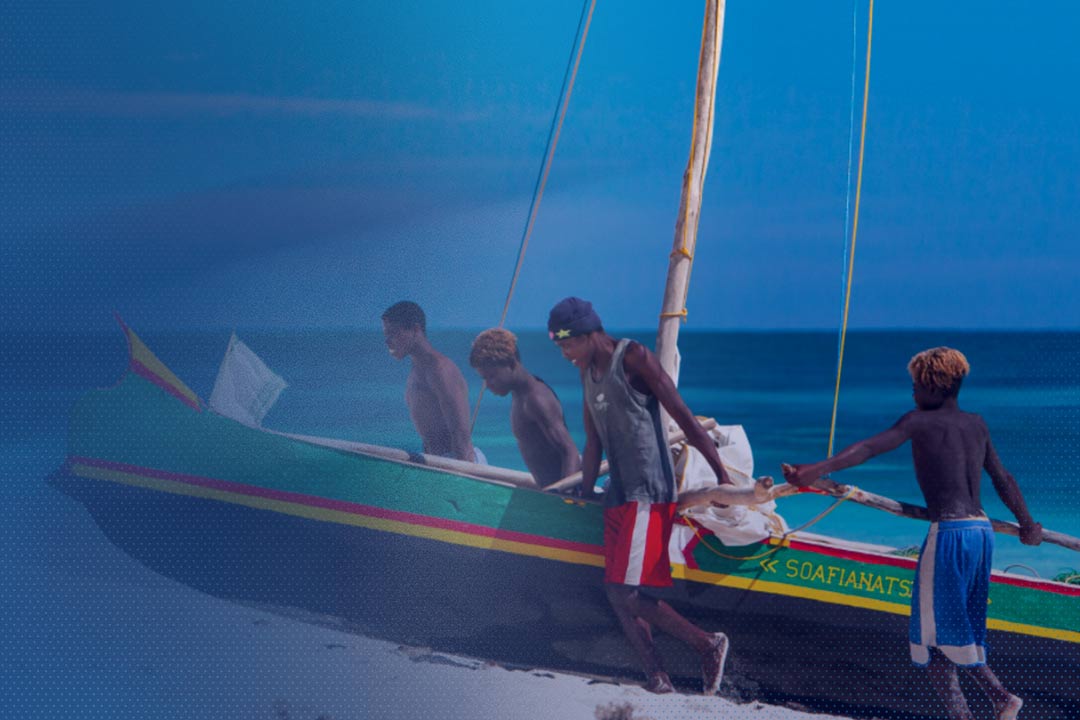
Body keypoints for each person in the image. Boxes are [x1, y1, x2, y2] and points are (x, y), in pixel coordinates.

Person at [782, 347, 1041, 720]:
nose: (912, 393)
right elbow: (1003, 479)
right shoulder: (977, 424)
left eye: (916, 385)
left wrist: (816, 470)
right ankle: (972, 711)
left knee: (935, 632)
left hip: (949, 534)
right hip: (981, 533)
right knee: (946, 633)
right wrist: (1027, 523)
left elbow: (869, 447)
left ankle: (1001, 696)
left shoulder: (918, 421)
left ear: (933, 387)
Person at [548, 296, 732, 695]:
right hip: (619, 491)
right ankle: (658, 676)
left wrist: (721, 475)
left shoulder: (633, 357)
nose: (564, 355)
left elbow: (682, 414)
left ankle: (708, 644)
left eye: (566, 345)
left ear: (587, 334)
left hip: (648, 489)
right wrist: (584, 492)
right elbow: (593, 438)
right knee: (616, 587)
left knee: (624, 590)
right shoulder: (587, 373)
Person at [469, 328, 581, 486]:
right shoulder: (519, 394)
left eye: (492, 376)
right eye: (484, 378)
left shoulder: (536, 399)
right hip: (548, 493)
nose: (487, 385)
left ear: (511, 363)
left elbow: (570, 452)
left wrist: (566, 499)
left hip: (561, 496)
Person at [381, 301, 483, 463]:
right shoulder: (416, 372)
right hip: (438, 464)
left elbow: (460, 434)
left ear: (415, 330)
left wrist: (462, 482)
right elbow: (429, 435)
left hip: (459, 465)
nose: (388, 341)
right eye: (386, 335)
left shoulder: (440, 370)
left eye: (394, 333)